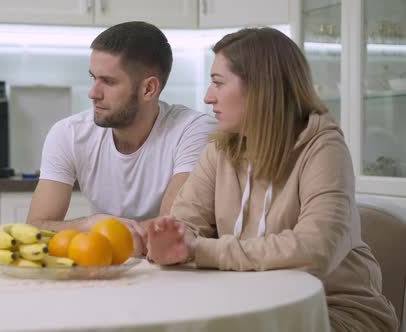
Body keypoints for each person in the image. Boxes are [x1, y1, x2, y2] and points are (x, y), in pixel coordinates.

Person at [146, 28, 399, 331]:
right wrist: (168, 238)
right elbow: (185, 224)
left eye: (218, 83)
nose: (208, 96)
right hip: (247, 300)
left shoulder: (323, 147)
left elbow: (315, 250)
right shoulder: (221, 148)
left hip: (331, 308)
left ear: (261, 88)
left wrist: (198, 250)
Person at [26, 21, 215, 255]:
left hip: (175, 272)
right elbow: (35, 228)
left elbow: (171, 230)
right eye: (93, 78)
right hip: (104, 264)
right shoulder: (69, 133)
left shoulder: (192, 131)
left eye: (108, 81)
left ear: (149, 89)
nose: (93, 93)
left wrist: (99, 231)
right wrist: (88, 224)